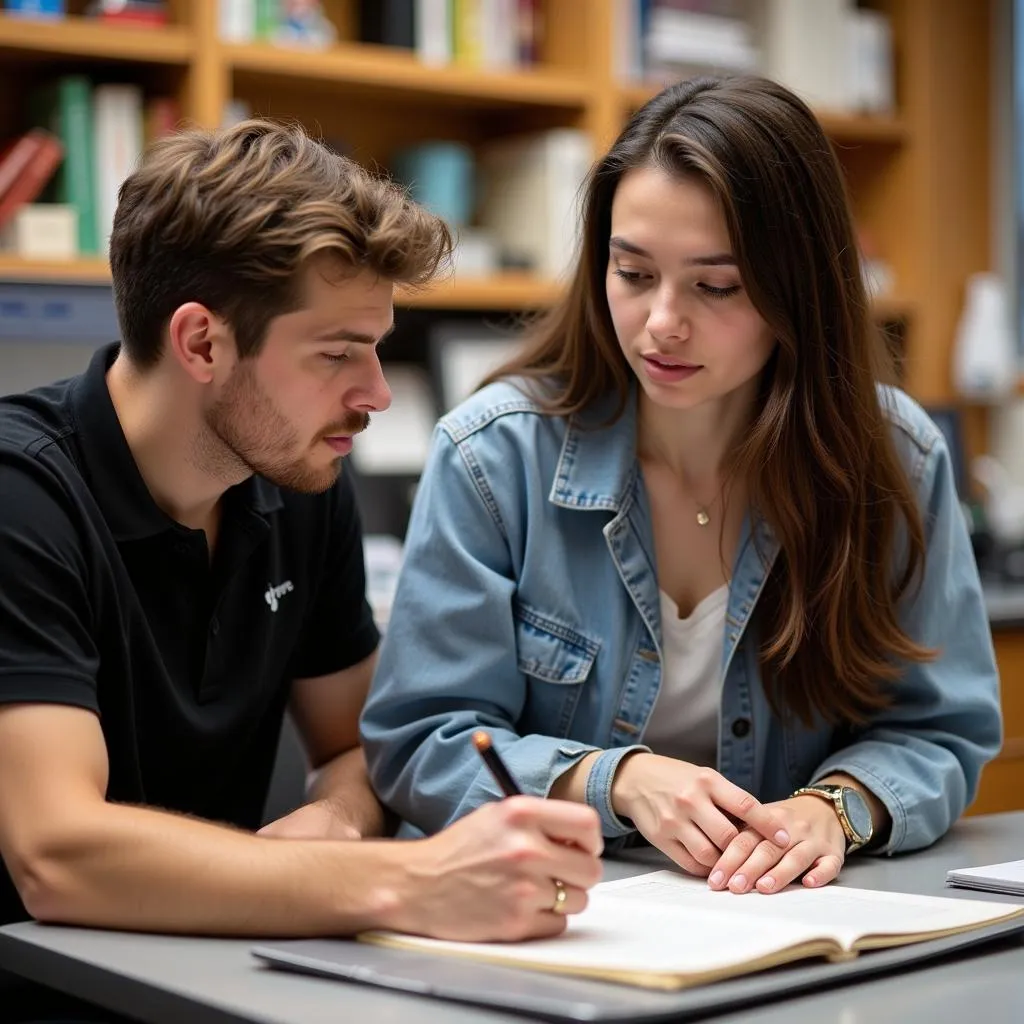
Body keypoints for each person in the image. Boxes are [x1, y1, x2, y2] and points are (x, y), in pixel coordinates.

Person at [0, 119, 603, 1022]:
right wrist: (408, 878)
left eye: (378, 346)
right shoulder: (22, 499)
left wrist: (336, 822)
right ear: (201, 343)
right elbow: (58, 855)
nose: (378, 393)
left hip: (221, 978)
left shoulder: (298, 478)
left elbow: (357, 748)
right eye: (336, 353)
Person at [361, 75, 1002, 899]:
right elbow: (421, 742)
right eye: (632, 273)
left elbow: (940, 728)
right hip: (553, 917)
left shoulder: (896, 460)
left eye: (718, 285)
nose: (663, 321)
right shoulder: (493, 458)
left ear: (797, 290)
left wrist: (836, 809)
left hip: (781, 921)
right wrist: (615, 779)